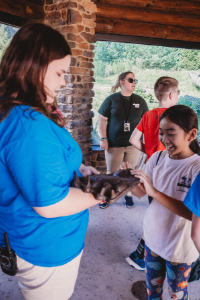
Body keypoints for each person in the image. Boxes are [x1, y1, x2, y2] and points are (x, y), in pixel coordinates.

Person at [0, 23, 102, 300]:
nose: (61, 82)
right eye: (59, 73)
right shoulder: (28, 126)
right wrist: (103, 192)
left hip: (38, 237)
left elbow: (42, 160)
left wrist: (79, 168)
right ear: (33, 66)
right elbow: (50, 204)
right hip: (45, 243)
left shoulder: (20, 110)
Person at [122, 105, 200, 300]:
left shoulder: (195, 168)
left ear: (191, 135)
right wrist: (127, 180)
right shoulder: (157, 158)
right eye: (161, 133)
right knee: (152, 291)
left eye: (171, 133)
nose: (164, 139)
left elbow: (191, 213)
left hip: (179, 249)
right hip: (152, 241)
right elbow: (140, 192)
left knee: (177, 294)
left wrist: (154, 192)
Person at [126, 77, 179, 271]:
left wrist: (149, 151)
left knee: (157, 211)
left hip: (152, 167)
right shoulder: (176, 115)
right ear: (172, 95)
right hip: (169, 169)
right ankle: (140, 255)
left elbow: (133, 139)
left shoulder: (148, 114)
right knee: (161, 213)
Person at [98, 71, 149, 209]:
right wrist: (103, 138)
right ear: (121, 82)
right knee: (112, 172)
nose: (134, 83)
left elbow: (146, 122)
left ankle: (128, 195)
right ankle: (107, 196)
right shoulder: (111, 99)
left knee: (130, 172)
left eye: (134, 80)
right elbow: (102, 119)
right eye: (130, 80)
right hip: (114, 144)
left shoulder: (140, 101)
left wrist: (146, 143)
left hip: (133, 145)